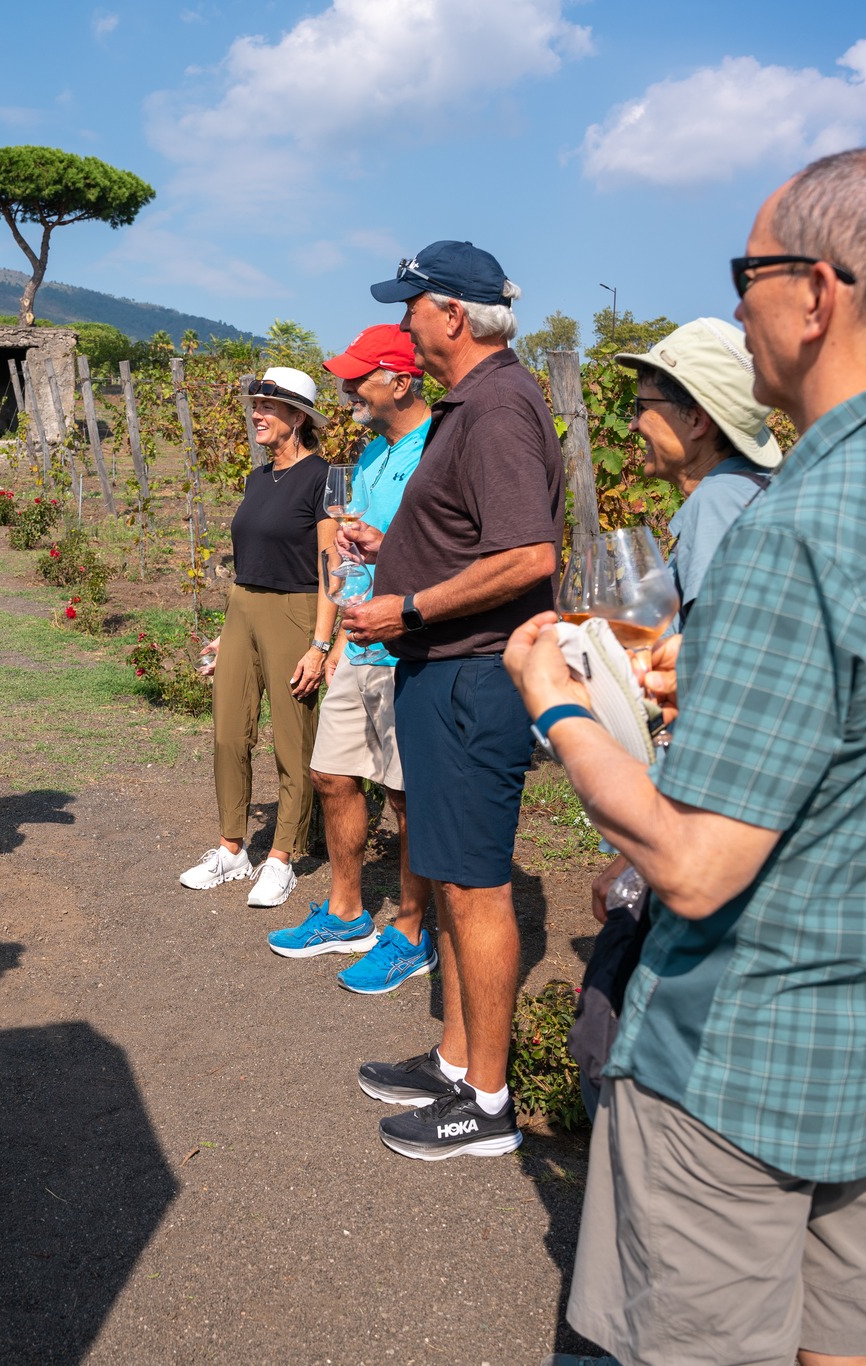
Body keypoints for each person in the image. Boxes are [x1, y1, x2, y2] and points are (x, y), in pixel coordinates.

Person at [507, 149, 866, 1366]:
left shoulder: (802, 526)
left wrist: (555, 700)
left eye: (746, 272)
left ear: (816, 292)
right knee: (856, 1338)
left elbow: (694, 865)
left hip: (739, 1062)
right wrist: (710, 678)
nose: (735, 305)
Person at [339, 241, 563, 1160]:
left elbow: (528, 557)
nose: (404, 325)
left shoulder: (499, 409)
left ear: (454, 316)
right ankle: (458, 1061)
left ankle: (490, 1103)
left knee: (475, 886)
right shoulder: (475, 406)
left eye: (413, 308)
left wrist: (410, 604)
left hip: (474, 674)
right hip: (446, 670)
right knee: (457, 874)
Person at [573, 316, 783, 1117]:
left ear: (698, 418)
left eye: (645, 400)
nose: (631, 419)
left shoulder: (716, 507)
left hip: (702, 823)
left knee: (618, 1032)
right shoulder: (750, 495)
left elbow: (712, 687)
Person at [262, 326, 437, 994]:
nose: (346, 390)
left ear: (401, 380)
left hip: (408, 644)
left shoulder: (437, 453)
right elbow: (343, 552)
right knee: (332, 774)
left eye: (359, 378)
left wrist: (384, 542)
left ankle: (412, 932)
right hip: (357, 642)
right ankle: (345, 912)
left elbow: (441, 553)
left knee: (403, 793)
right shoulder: (367, 454)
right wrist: (332, 636)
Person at [180, 366, 335, 909]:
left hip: (296, 611)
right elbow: (250, 561)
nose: (257, 414)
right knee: (228, 734)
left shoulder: (325, 478)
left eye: (269, 406)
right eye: (255, 405)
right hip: (244, 608)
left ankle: (283, 857)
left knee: (291, 741)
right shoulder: (256, 477)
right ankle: (231, 848)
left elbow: (331, 566)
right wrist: (228, 634)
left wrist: (320, 644)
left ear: (298, 417)